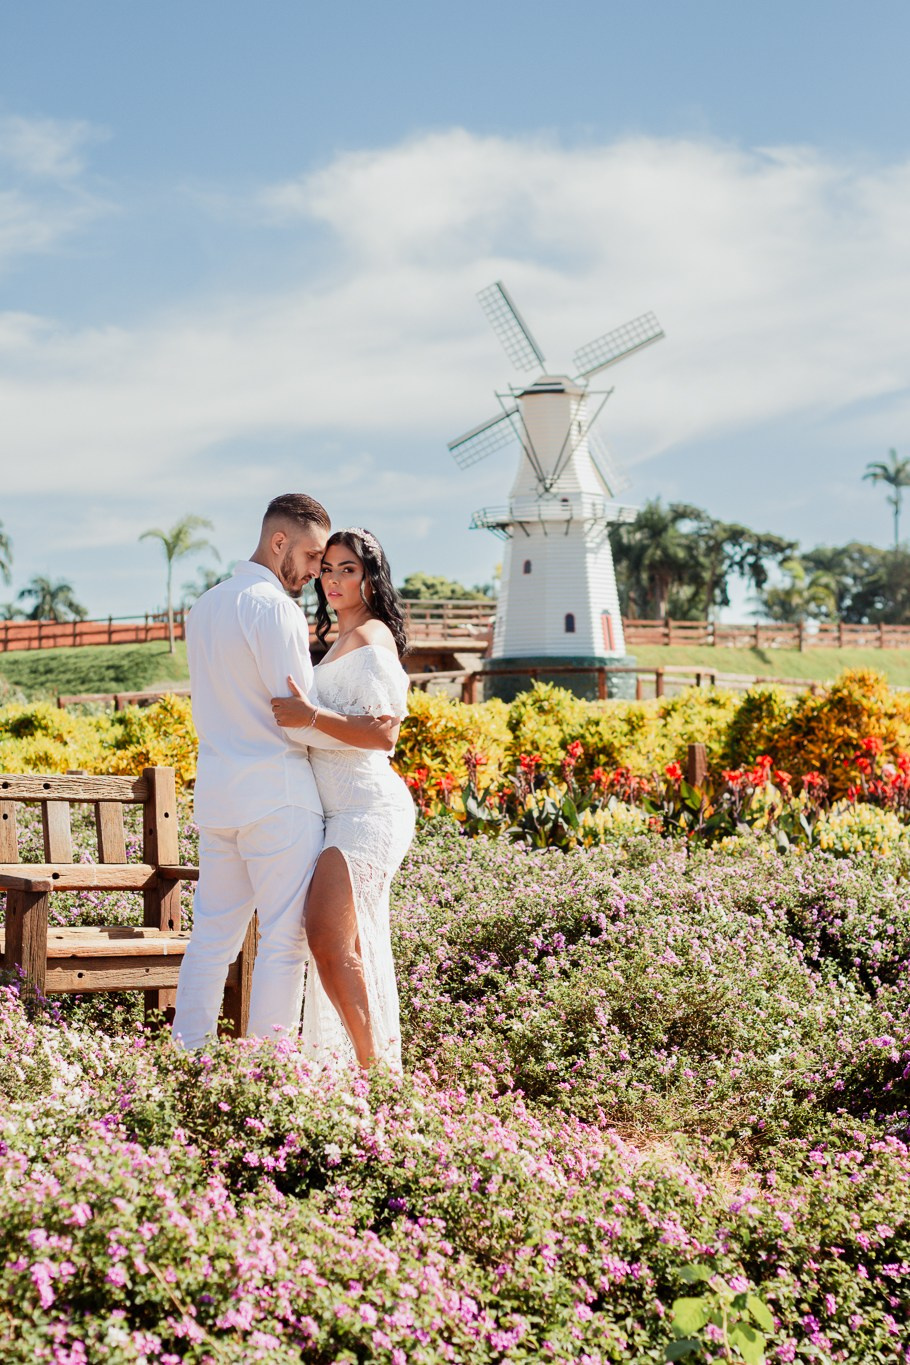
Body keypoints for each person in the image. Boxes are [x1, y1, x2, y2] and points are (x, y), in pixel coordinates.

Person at [172, 496, 396, 1052]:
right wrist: (332, 723)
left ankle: (186, 1056)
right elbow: (294, 715)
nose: (317, 571)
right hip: (278, 798)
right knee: (284, 942)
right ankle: (264, 1070)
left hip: (219, 796)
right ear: (279, 544)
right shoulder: (273, 607)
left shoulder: (203, 607)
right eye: (314, 555)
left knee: (211, 940)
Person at [270, 527, 414, 1070]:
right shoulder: (338, 639)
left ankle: (373, 1071)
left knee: (328, 937)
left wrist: (309, 716)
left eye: (346, 569)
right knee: (336, 943)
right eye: (326, 569)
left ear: (371, 577)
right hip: (335, 813)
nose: (332, 579)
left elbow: (384, 735)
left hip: (369, 809)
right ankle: (364, 1070)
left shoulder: (373, 638)